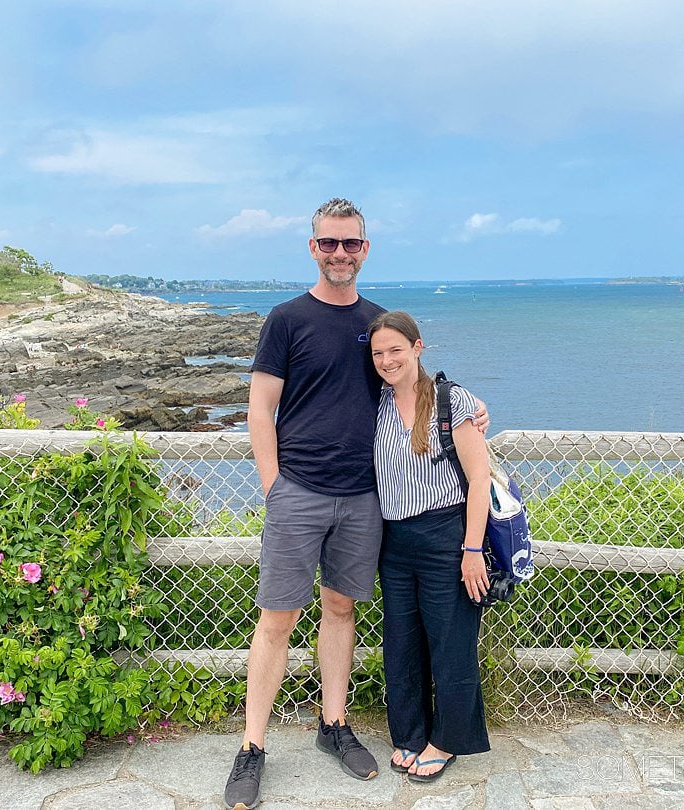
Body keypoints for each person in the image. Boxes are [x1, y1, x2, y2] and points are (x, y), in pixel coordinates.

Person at [223, 200, 486, 810]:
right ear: (312, 247)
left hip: (364, 500)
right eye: (328, 243)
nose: (339, 253)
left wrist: (470, 406)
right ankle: (252, 746)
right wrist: (274, 487)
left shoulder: (376, 325)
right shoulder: (287, 319)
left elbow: (412, 382)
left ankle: (333, 725)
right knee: (277, 619)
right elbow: (260, 409)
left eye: (350, 244)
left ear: (365, 250)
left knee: (340, 610)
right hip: (298, 492)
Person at [368, 310, 492, 783]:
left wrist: (472, 549)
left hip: (447, 537)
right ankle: (411, 732)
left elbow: (478, 478)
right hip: (394, 541)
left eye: (396, 350)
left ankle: (447, 740)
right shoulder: (375, 402)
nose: (387, 360)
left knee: (450, 643)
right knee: (401, 643)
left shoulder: (451, 401)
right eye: (378, 353)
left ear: (418, 348)